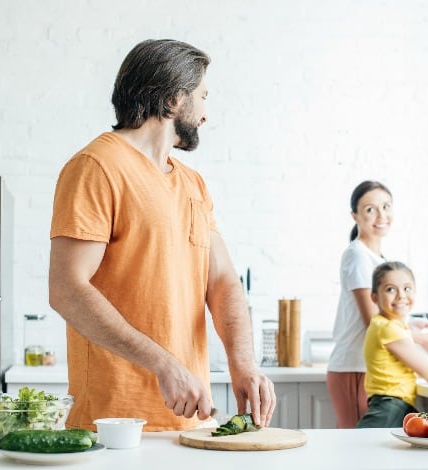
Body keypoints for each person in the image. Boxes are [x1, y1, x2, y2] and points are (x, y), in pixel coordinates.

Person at [48, 39, 276, 432]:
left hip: (189, 425)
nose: (205, 113)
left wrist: (244, 366)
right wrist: (164, 363)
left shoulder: (193, 184)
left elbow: (221, 280)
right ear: (173, 99)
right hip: (113, 426)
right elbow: (67, 288)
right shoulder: (96, 167)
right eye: (202, 96)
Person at [326, 181, 428, 429]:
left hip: (365, 367)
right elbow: (372, 319)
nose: (381, 215)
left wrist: (410, 322)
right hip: (353, 366)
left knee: (365, 453)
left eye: (386, 206)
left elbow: (384, 316)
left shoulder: (377, 258)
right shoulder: (358, 255)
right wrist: (418, 337)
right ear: (355, 216)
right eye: (370, 209)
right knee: (357, 454)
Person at [356, 261, 428, 428]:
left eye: (407, 288)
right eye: (390, 289)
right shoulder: (389, 329)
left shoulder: (383, 324)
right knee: (361, 451)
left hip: (388, 404)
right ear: (374, 297)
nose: (401, 296)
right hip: (390, 406)